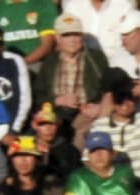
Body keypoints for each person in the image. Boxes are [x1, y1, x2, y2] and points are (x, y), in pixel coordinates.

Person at [30, 16, 109, 144]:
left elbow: (108, 89)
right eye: (67, 35)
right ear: (58, 38)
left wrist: (100, 106)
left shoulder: (96, 58)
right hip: (57, 112)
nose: (72, 40)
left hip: (86, 113)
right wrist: (57, 100)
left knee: (82, 134)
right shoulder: (50, 61)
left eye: (76, 35)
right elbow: (38, 95)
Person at [89, 77, 140, 188]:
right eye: (120, 99)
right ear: (113, 101)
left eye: (130, 98)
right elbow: (88, 159)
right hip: (112, 184)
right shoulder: (100, 125)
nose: (125, 103)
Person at [0, 0, 56, 70]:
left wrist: (23, 63)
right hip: (4, 66)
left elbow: (47, 45)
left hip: (36, 64)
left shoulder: (43, 4)